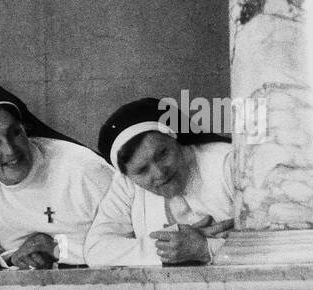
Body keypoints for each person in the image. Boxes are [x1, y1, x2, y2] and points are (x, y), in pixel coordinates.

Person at [0, 84, 115, 270]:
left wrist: (59, 250)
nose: (10, 150)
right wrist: (15, 258)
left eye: (15, 133)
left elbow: (131, 242)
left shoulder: (85, 170)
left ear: (25, 128)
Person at [84, 97, 234, 266]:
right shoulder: (126, 183)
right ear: (128, 175)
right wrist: (174, 246)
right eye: (142, 170)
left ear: (174, 138)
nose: (159, 173)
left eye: (162, 154)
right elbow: (96, 250)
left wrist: (205, 248)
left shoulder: (229, 164)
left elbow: (269, 246)